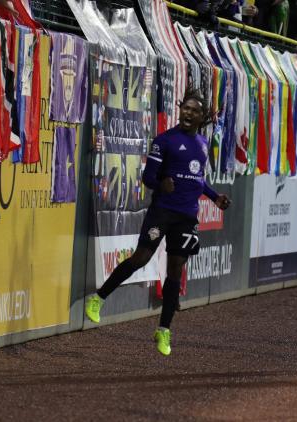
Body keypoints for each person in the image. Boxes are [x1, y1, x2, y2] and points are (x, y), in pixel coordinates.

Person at [84, 88, 232, 356]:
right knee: (141, 258)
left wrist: (214, 197)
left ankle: (163, 330)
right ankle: (98, 298)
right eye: (185, 108)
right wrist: (161, 184)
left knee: (175, 270)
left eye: (194, 110)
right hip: (162, 211)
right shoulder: (164, 141)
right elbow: (148, 178)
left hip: (187, 216)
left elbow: (197, 180)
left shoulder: (200, 144)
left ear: (202, 117)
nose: (188, 113)